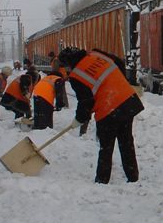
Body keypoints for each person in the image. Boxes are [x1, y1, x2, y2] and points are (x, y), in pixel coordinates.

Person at [58, 47, 144, 184]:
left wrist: (79, 119)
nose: (66, 71)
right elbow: (120, 63)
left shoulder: (76, 75)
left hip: (108, 108)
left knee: (106, 146)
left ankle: (102, 181)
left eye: (65, 67)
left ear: (69, 63)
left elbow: (85, 102)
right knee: (126, 141)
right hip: (127, 100)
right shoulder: (96, 54)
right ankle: (133, 176)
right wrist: (118, 83)